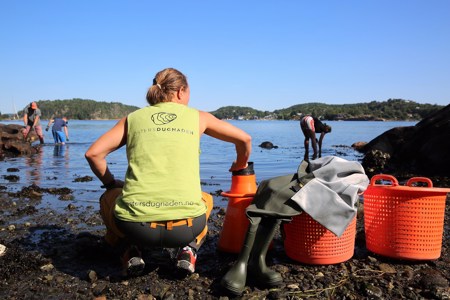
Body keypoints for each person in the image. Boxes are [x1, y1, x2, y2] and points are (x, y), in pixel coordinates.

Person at [85, 68, 252, 277]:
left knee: (108, 198)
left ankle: (129, 250)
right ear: (181, 91)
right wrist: (240, 163)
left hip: (136, 228)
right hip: (187, 227)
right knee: (207, 199)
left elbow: (93, 154)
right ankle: (188, 250)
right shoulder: (199, 118)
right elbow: (244, 139)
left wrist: (111, 183)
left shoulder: (133, 119)